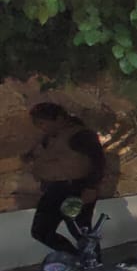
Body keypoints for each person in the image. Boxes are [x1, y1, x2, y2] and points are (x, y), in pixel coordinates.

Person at [22, 103, 106, 255]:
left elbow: (98, 161)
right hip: (55, 189)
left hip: (76, 188)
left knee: (81, 231)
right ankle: (74, 258)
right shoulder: (51, 137)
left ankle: (94, 266)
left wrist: (91, 187)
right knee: (41, 231)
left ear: (59, 119)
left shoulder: (81, 135)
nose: (41, 127)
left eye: (43, 123)